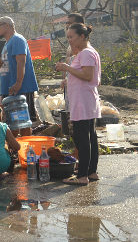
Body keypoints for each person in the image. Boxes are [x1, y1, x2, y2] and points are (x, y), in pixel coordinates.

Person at [55, 23, 101, 186]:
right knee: (90, 137)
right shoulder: (87, 52)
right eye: (67, 37)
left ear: (82, 36)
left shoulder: (86, 53)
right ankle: (91, 171)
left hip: (83, 102)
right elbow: (87, 77)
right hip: (86, 100)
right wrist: (69, 80)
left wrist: (67, 67)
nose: (69, 41)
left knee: (83, 139)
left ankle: (82, 176)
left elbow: (88, 75)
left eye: (71, 37)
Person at [0, 16, 39, 134]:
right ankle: (16, 150)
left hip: (20, 89)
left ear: (7, 25)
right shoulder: (8, 43)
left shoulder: (18, 39)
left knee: (24, 123)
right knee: (13, 124)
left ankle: (26, 149)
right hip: (10, 89)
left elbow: (21, 61)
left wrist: (18, 83)